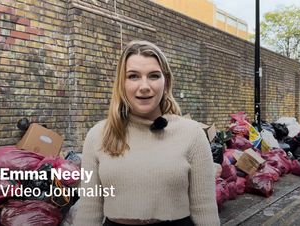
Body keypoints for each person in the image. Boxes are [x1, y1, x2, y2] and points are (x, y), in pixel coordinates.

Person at [73, 40, 220, 226]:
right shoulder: (98, 135)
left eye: (153, 76)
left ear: (165, 82)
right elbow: (89, 210)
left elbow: (205, 211)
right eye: (133, 76)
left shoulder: (192, 134)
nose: (144, 86)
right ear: (122, 82)